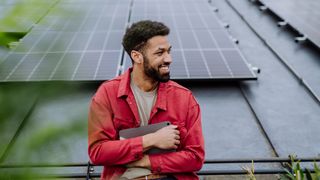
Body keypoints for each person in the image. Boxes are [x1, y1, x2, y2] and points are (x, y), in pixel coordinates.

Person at [88, 20, 205, 180]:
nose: (169, 58)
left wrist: (146, 161)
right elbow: (98, 152)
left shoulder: (184, 98)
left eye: (169, 51)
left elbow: (195, 158)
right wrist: (151, 140)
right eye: (160, 53)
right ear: (137, 56)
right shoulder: (107, 94)